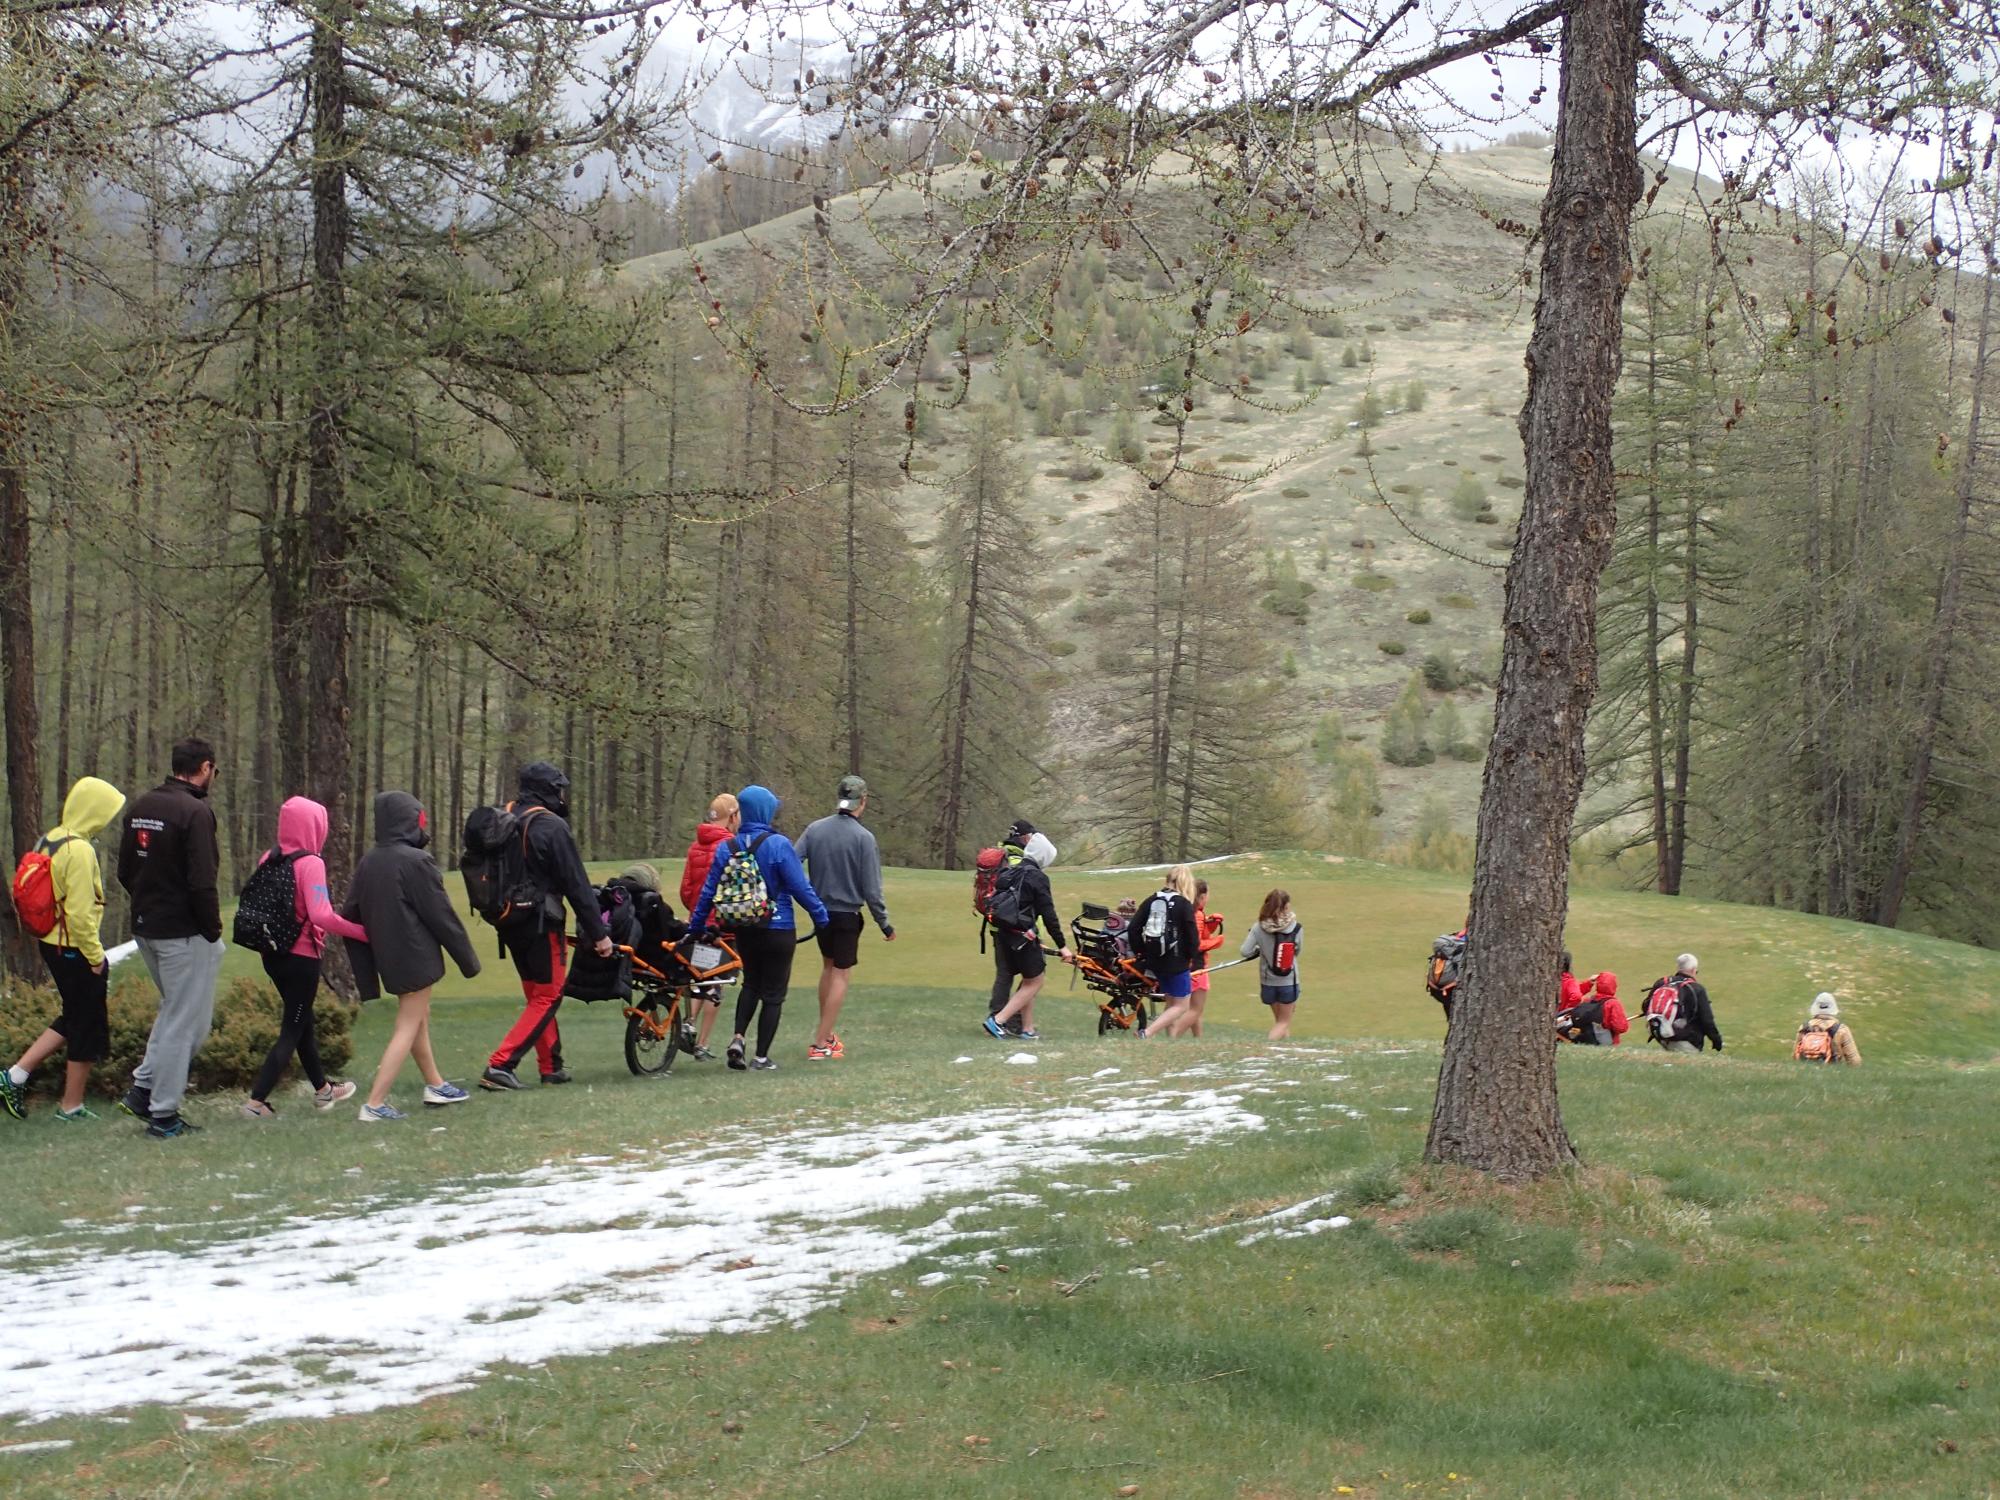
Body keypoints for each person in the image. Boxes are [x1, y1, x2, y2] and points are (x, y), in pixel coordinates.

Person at [343, 791, 480, 1120]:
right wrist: (468, 961)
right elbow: (441, 915)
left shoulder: (369, 861)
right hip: (416, 957)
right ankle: (375, 1104)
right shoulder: (416, 861)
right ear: (409, 820)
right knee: (407, 1025)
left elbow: (351, 914)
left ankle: (435, 1085)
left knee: (419, 1017)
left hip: (390, 957)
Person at [116, 737, 227, 1139]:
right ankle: (163, 1115)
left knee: (173, 1012)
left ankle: (143, 1091)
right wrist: (211, 928)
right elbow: (203, 881)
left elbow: (125, 871)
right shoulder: (195, 812)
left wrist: (150, 901)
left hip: (147, 928)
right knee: (186, 1024)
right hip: (184, 933)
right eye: (213, 771)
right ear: (205, 767)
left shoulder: (143, 806)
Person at [480, 762, 611, 1092]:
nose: (562, 795)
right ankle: (500, 1065)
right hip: (542, 922)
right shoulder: (551, 827)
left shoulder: (503, 817)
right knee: (549, 995)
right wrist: (599, 933)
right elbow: (576, 885)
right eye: (559, 788)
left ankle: (550, 1066)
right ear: (548, 790)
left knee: (536, 994)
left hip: (508, 920)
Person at [0, 776, 125, 1123]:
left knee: (74, 1016)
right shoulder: (80, 851)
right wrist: (95, 956)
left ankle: (14, 1077)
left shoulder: (50, 839)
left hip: (50, 944)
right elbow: (81, 914)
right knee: (86, 1023)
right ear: (93, 811)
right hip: (73, 948)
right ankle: (71, 1107)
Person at [242, 797, 370, 1118]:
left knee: (303, 1022)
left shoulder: (267, 858)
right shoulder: (311, 863)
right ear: (315, 827)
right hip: (302, 959)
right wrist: (363, 932)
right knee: (293, 1028)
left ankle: (324, 1091)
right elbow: (322, 916)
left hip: (272, 956)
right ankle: (256, 1103)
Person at [688, 783, 831, 1071]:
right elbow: (800, 887)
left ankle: (738, 1037)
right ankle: (761, 1057)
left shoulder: (728, 846)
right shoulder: (778, 845)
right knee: (774, 994)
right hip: (779, 928)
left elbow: (708, 892)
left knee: (751, 984)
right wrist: (822, 918)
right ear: (765, 811)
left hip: (744, 928)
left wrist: (695, 925)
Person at [795, 773, 895, 1061]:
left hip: (820, 912)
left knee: (828, 968)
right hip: (847, 914)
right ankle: (819, 1043)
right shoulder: (864, 838)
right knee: (841, 973)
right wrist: (884, 923)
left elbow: (792, 859)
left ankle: (826, 1034)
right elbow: (872, 889)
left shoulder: (815, 829)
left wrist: (806, 894)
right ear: (862, 801)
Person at [982, 823, 1070, 1040]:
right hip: (1023, 936)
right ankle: (998, 1021)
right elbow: (1049, 915)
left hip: (1003, 934)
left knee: (1028, 980)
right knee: (1036, 981)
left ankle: (1027, 1029)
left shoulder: (1011, 870)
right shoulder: (1038, 877)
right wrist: (1063, 946)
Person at [678, 794, 741, 1059]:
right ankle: (702, 1044)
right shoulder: (730, 845)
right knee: (718, 982)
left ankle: (688, 1022)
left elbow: (686, 889)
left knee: (698, 978)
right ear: (733, 816)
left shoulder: (696, 846)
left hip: (698, 924)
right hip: (722, 928)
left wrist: (695, 911)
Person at [1138, 866, 1202, 1041]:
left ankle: (1171, 1041)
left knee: (1171, 1004)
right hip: (1177, 962)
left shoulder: (1152, 900)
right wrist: (1191, 958)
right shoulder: (1183, 904)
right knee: (1181, 1006)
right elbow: (1192, 937)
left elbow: (1134, 927)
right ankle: (1147, 1033)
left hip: (1155, 960)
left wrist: (1142, 953)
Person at [1242, 888, 1303, 1041]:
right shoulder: (1296, 928)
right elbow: (1298, 950)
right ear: (1286, 907)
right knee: (1283, 1022)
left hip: (1268, 982)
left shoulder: (1258, 927)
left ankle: (1284, 1051)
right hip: (1288, 980)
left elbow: (1245, 951)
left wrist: (1260, 950)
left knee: (1280, 1022)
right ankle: (1267, 1049)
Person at [1643, 953, 1722, 1054]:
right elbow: (1707, 1020)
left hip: (1662, 1036)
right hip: (1687, 1041)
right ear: (1694, 970)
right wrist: (1716, 1040)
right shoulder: (1697, 989)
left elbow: (1646, 1007)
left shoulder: (1663, 983)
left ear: (1678, 968)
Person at [1556, 970, 1629, 1046]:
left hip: (1586, 1040)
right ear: (1614, 986)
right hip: (1608, 1043)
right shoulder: (1613, 1004)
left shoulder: (1588, 1000)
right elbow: (1621, 1027)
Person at [1794, 993, 1861, 1065]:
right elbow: (1855, 1061)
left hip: (1807, 1072)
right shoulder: (1841, 1030)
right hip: (1833, 1072)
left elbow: (1795, 1055)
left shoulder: (1804, 1028)